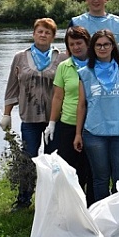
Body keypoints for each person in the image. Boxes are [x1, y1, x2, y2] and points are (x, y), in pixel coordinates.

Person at [0, 17, 67, 211]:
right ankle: (23, 200)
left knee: (52, 159)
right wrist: (6, 114)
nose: (43, 35)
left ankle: (51, 201)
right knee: (27, 158)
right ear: (34, 33)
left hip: (54, 119)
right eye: (40, 31)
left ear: (53, 36)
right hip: (29, 118)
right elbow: (12, 87)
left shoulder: (61, 58)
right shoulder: (20, 57)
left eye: (48, 32)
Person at [73, 30, 119, 203]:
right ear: (93, 48)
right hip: (94, 133)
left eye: (106, 44)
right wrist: (78, 133)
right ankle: (102, 218)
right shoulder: (85, 72)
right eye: (98, 45)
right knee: (100, 178)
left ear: (113, 47)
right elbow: (82, 105)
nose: (102, 48)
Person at [44, 26, 95, 205]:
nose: (76, 47)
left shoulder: (98, 64)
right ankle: (72, 206)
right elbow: (58, 96)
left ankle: (92, 206)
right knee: (70, 170)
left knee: (92, 169)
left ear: (88, 43)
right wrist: (52, 122)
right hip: (68, 124)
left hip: (93, 124)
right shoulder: (64, 66)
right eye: (71, 44)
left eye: (79, 43)